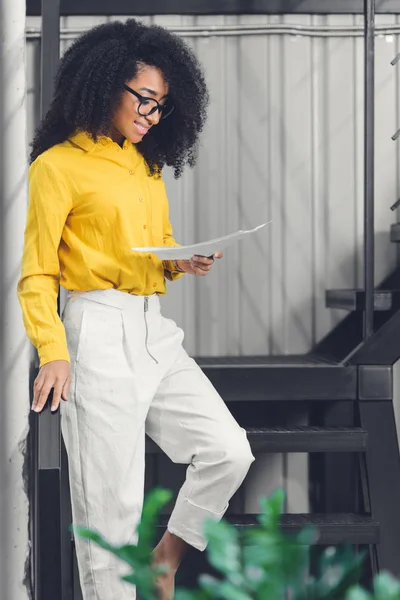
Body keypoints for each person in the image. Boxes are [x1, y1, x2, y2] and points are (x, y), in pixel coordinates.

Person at [18, 19, 255, 600]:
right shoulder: (57, 166)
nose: (151, 115)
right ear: (104, 86)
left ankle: (164, 560)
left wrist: (181, 262)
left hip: (152, 328)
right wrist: (54, 353)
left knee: (228, 449)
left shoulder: (145, 165)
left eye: (161, 106)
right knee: (109, 516)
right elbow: (37, 272)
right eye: (144, 99)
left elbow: (150, 249)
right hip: (94, 331)